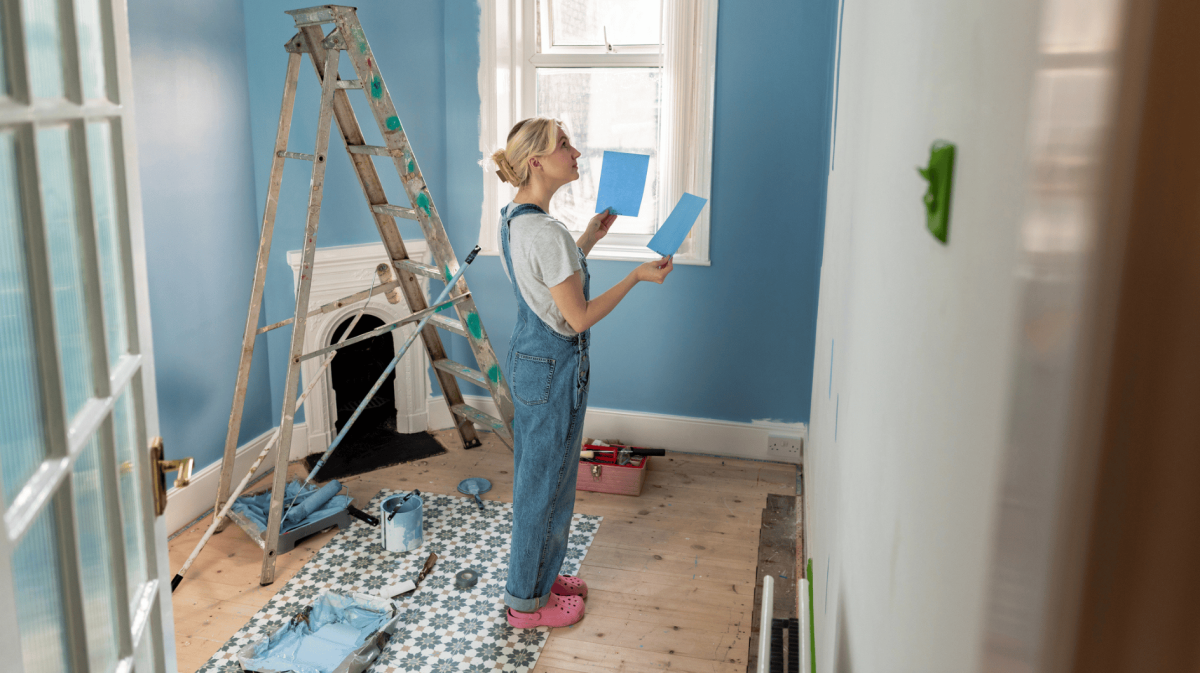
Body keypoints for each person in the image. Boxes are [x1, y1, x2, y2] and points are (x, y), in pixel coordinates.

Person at [490, 118, 673, 628]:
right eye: (564, 146)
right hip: (553, 370)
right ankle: (526, 603)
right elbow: (579, 316)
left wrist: (587, 238)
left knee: (545, 481)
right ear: (537, 162)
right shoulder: (546, 232)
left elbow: (549, 286)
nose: (575, 153)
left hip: (531, 362)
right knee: (544, 487)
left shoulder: (515, 218)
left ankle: (540, 579)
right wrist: (637, 275)